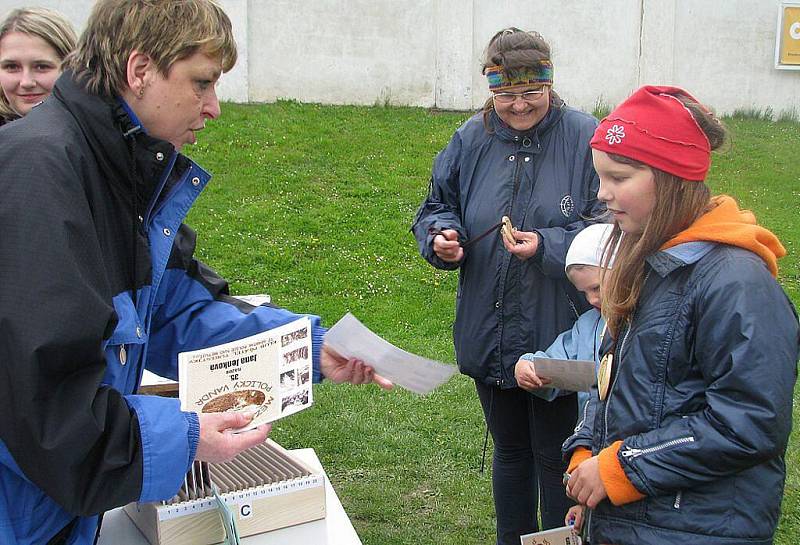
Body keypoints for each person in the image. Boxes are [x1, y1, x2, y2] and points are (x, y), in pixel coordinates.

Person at [0, 2, 391, 544]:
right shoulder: (40, 175)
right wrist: (186, 437)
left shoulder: (119, 167)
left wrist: (305, 347)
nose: (213, 108)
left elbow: (175, 311)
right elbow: (47, 411)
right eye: (202, 83)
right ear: (139, 71)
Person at [561, 86, 800, 544]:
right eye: (599, 177)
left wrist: (616, 469)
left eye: (619, 178)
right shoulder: (646, 264)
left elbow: (748, 423)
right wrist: (586, 453)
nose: (601, 194)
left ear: (672, 178)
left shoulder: (736, 283)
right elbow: (614, 383)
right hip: (632, 521)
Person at [411, 27, 603, 544]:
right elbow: (436, 205)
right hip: (488, 327)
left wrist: (546, 246)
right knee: (511, 451)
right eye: (504, 95)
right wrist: (442, 237)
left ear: (550, 85)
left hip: (559, 329)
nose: (517, 106)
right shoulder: (471, 138)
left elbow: (610, 228)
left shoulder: (584, 136)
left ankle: (564, 539)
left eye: (529, 94)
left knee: (559, 455)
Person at [514, 222, 613, 410]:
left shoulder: (647, 322)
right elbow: (556, 363)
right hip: (591, 433)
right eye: (584, 292)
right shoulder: (587, 326)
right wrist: (528, 366)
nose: (591, 299)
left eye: (596, 288)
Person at [0, 7, 76, 125]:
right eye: (12, 67)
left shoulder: (99, 132)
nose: (26, 82)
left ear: (70, 66)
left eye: (41, 67)